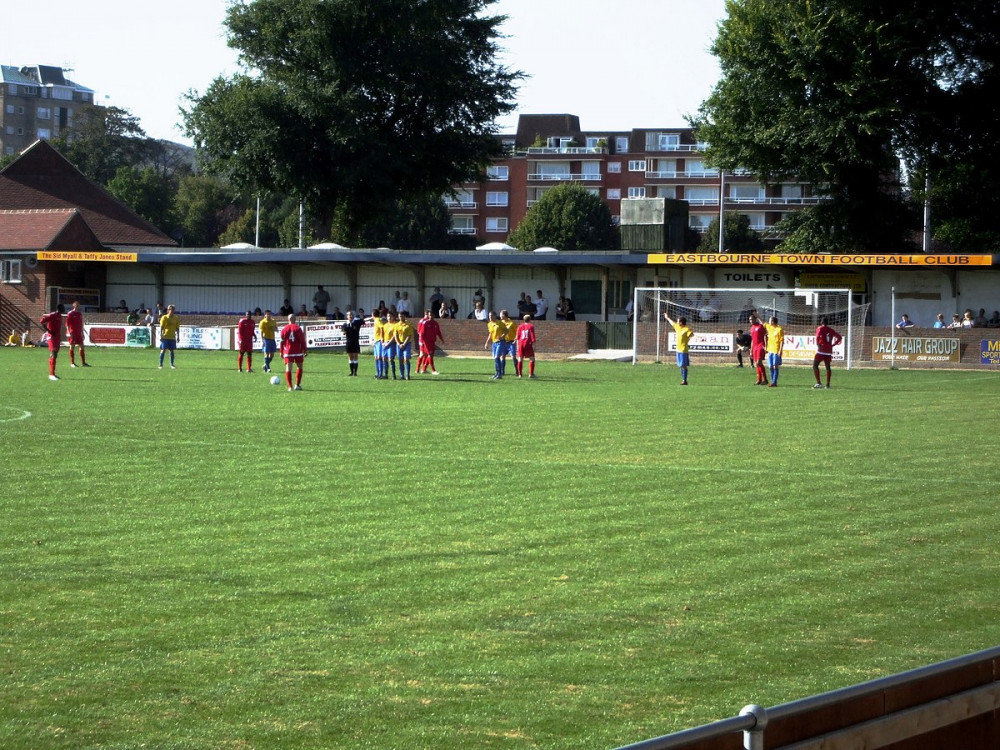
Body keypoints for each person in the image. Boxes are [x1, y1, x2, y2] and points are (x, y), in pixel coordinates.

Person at [812, 316, 843, 389]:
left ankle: (819, 383)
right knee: (828, 367)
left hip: (821, 350)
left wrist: (818, 345)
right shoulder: (831, 330)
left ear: (821, 322)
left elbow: (817, 337)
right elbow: (839, 337)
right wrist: (833, 344)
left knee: (815, 365)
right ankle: (828, 384)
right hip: (828, 351)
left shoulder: (820, 328)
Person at [280, 313, 307, 390]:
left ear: (288, 319)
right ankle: (297, 385)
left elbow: (282, 342)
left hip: (288, 351)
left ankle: (290, 387)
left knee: (288, 368)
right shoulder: (298, 328)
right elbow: (302, 340)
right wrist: (305, 350)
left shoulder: (284, 329)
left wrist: (281, 351)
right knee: (300, 367)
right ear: (295, 320)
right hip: (298, 351)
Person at [663, 313, 692, 385]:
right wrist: (667, 317)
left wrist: (688, 339)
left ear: (681, 323)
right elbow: (672, 323)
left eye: (678, 321)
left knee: (683, 365)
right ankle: (683, 380)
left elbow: (691, 335)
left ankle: (684, 380)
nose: (677, 322)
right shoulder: (677, 327)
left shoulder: (686, 329)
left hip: (683, 350)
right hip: (678, 350)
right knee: (680, 365)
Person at [40, 304, 64, 381]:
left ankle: (52, 373)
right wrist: (49, 331)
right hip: (51, 337)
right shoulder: (53, 315)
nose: (64, 309)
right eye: (63, 308)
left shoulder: (60, 316)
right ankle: (51, 374)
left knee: (55, 354)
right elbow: (42, 322)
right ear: (59, 308)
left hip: (57, 337)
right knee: (53, 353)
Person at [417, 309, 443, 374]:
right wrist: (421, 342)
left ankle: (423, 369)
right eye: (429, 315)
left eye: (431, 315)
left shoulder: (435, 323)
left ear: (434, 316)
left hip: (432, 342)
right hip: (426, 342)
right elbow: (421, 333)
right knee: (429, 355)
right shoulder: (425, 323)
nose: (430, 316)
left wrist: (441, 339)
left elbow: (438, 332)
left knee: (429, 355)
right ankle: (433, 370)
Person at [65, 300, 90, 368]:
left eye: (78, 305)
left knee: (82, 346)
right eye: (76, 304)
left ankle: (83, 363)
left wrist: (82, 333)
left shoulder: (79, 314)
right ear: (73, 305)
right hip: (72, 332)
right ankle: (72, 363)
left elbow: (81, 324)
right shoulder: (70, 313)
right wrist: (68, 331)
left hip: (79, 332)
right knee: (72, 346)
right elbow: (67, 324)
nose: (78, 306)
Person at [484, 311, 507, 379]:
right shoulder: (489, 324)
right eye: (489, 316)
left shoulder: (500, 323)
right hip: (494, 342)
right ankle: (496, 373)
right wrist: (487, 342)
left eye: (491, 315)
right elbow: (490, 334)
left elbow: (506, 331)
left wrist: (502, 336)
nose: (490, 317)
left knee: (497, 357)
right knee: (495, 358)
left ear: (495, 316)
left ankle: (499, 374)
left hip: (500, 342)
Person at [341, 310, 364, 376]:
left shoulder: (357, 322)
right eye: (349, 315)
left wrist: (361, 316)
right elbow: (343, 331)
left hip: (355, 342)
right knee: (350, 357)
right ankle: (351, 372)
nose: (350, 316)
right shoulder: (345, 324)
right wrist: (344, 330)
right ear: (347, 316)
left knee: (355, 357)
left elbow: (363, 322)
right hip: (349, 343)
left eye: (352, 315)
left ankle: (355, 372)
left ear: (353, 316)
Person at [516, 314, 538, 379]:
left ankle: (520, 374)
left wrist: (517, 346)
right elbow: (532, 336)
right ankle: (531, 374)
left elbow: (517, 337)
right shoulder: (531, 326)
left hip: (520, 344)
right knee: (532, 358)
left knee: (520, 358)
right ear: (530, 319)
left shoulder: (520, 326)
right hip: (527, 344)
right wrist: (534, 345)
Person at [749, 314, 769, 385]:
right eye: (750, 320)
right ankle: (759, 380)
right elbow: (752, 340)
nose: (750, 321)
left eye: (752, 319)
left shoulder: (760, 326)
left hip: (760, 346)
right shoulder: (752, 328)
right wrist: (751, 350)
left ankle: (765, 379)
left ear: (755, 319)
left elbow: (765, 336)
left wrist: (766, 346)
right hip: (754, 347)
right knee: (756, 364)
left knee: (759, 363)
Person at [764, 316, 785, 387]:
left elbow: (782, 341)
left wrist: (780, 350)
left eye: (769, 320)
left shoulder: (779, 329)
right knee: (770, 367)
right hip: (770, 350)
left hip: (776, 350)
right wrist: (757, 316)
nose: (768, 322)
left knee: (775, 366)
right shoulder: (769, 327)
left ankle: (774, 382)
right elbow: (762, 323)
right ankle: (773, 381)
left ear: (772, 321)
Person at [158, 304, 180, 369]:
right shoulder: (164, 317)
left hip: (172, 337)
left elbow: (177, 328)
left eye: (172, 309)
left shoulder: (176, 318)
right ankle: (160, 364)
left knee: (172, 350)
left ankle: (172, 364)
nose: (171, 310)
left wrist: (178, 336)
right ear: (168, 310)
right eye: (170, 309)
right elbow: (161, 327)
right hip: (165, 336)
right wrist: (161, 335)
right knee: (163, 350)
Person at [394, 311, 415, 380]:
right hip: (399, 344)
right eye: (399, 316)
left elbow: (409, 335)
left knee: (406, 358)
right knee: (400, 359)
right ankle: (401, 375)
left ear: (404, 316)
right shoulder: (396, 325)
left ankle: (407, 375)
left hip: (406, 343)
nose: (400, 317)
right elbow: (395, 335)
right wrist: (398, 343)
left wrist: (404, 344)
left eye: (402, 316)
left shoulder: (408, 324)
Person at [499, 309, 517, 376]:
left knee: (513, 356)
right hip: (503, 342)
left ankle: (517, 371)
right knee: (502, 356)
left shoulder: (511, 323)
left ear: (504, 315)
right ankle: (502, 371)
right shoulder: (501, 323)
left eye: (501, 314)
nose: (500, 316)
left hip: (510, 342)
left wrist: (516, 338)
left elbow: (517, 330)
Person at [383, 311, 399, 380]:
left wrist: (388, 343)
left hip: (392, 343)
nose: (389, 318)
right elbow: (383, 334)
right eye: (388, 316)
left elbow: (394, 336)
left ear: (393, 317)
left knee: (390, 359)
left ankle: (393, 375)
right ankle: (385, 374)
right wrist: (383, 341)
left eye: (390, 316)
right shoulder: (385, 325)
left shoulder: (395, 325)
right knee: (384, 358)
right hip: (385, 343)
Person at [371, 309, 386, 379]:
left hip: (379, 341)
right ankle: (377, 373)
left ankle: (380, 374)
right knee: (376, 357)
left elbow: (382, 328)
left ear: (373, 315)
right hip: (376, 341)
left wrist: (382, 338)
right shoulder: (376, 321)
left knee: (379, 357)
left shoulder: (377, 320)